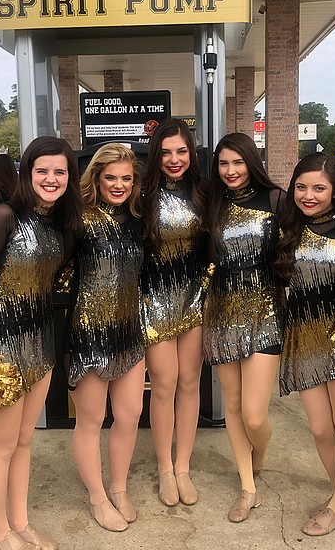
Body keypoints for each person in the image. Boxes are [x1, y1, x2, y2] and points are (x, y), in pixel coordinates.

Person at [0, 137, 82, 550]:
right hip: (2, 347)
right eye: (42, 171)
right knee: (0, 446)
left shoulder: (58, 224)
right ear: (27, 173)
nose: (51, 179)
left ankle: (21, 521)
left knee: (25, 441)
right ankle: (0, 533)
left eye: (60, 172)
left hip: (41, 344)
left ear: (69, 177)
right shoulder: (4, 216)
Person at [274, 153, 335, 536]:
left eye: (319, 188)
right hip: (302, 336)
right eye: (301, 187)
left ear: (334, 190)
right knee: (319, 427)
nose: (308, 195)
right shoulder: (288, 225)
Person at [200, 132, 285, 523]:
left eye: (238, 162)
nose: (231, 171)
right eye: (223, 163)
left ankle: (261, 453)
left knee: (254, 414)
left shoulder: (276, 200)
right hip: (221, 310)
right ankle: (248, 487)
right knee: (232, 405)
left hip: (265, 311)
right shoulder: (211, 203)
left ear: (252, 161)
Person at [68, 144, 145, 532]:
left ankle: (118, 487)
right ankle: (97, 498)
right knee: (91, 420)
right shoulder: (78, 219)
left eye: (126, 178)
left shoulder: (136, 218)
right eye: (111, 177)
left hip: (131, 332)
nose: (119, 185)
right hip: (88, 335)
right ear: (96, 179)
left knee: (129, 416)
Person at [140, 119, 208, 507]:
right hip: (155, 301)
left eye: (181, 151)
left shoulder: (204, 192)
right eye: (166, 152)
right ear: (156, 155)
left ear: (191, 152)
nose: (174, 159)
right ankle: (165, 467)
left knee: (189, 384)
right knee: (164, 385)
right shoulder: (143, 194)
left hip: (195, 299)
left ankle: (184, 466)